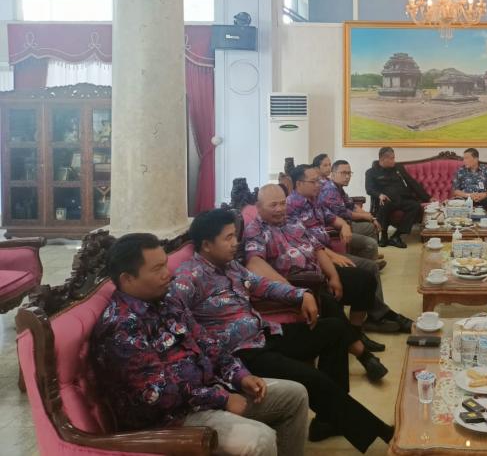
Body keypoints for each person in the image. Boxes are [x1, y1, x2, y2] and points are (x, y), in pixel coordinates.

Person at [172, 209, 393, 452]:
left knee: (335, 329)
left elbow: (262, 285)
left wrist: (301, 294)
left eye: (235, 235)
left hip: (264, 334)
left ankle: (328, 420)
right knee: (313, 380)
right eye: (228, 238)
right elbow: (180, 331)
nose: (236, 243)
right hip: (240, 354)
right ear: (206, 245)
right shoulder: (187, 279)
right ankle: (383, 436)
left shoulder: (230, 265)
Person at [91, 233, 309, 456]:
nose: (168, 274)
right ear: (128, 279)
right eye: (157, 269)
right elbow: (157, 394)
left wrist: (239, 375)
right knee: (259, 440)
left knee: (295, 395)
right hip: (172, 420)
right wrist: (222, 399)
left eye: (165, 265)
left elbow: (208, 343)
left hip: (210, 391)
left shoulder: (166, 301)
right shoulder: (120, 327)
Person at [244, 184, 390, 379]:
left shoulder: (292, 220)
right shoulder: (255, 230)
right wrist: (291, 290)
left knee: (364, 279)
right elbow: (254, 262)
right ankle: (362, 353)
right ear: (259, 207)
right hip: (296, 282)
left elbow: (317, 248)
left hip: (318, 275)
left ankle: (357, 335)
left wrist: (334, 277)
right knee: (329, 304)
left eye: (282, 203)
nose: (279, 209)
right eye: (273, 205)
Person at [289, 165, 412, 334]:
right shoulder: (291, 207)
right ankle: (378, 315)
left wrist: (344, 226)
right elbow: (305, 242)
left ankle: (376, 315)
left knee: (369, 266)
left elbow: (331, 217)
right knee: (368, 268)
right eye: (314, 181)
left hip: (328, 249)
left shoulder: (313, 200)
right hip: (317, 258)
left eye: (319, 181)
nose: (319, 184)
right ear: (299, 183)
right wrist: (333, 256)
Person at [365, 146, 432, 248]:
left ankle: (396, 236)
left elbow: (412, 182)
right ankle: (384, 236)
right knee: (384, 205)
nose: (394, 161)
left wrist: (428, 198)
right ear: (383, 159)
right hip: (387, 200)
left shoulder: (398, 168)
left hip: (403, 199)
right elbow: (369, 189)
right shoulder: (371, 172)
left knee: (415, 206)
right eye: (392, 158)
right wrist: (379, 195)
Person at [319, 159, 384, 257]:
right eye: (343, 173)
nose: (347, 176)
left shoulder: (338, 187)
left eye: (349, 173)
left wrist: (370, 216)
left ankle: (371, 255)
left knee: (371, 224)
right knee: (371, 230)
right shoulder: (329, 190)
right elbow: (343, 213)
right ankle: (369, 257)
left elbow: (352, 205)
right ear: (333, 174)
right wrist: (366, 217)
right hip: (335, 227)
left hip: (346, 222)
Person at [451, 147, 487, 211]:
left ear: (476, 159)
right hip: (466, 199)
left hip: (483, 198)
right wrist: (469, 195)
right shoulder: (461, 171)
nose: (464, 161)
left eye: (467, 158)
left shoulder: (486, 170)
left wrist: (485, 194)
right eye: (464, 158)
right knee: (457, 202)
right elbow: (455, 190)